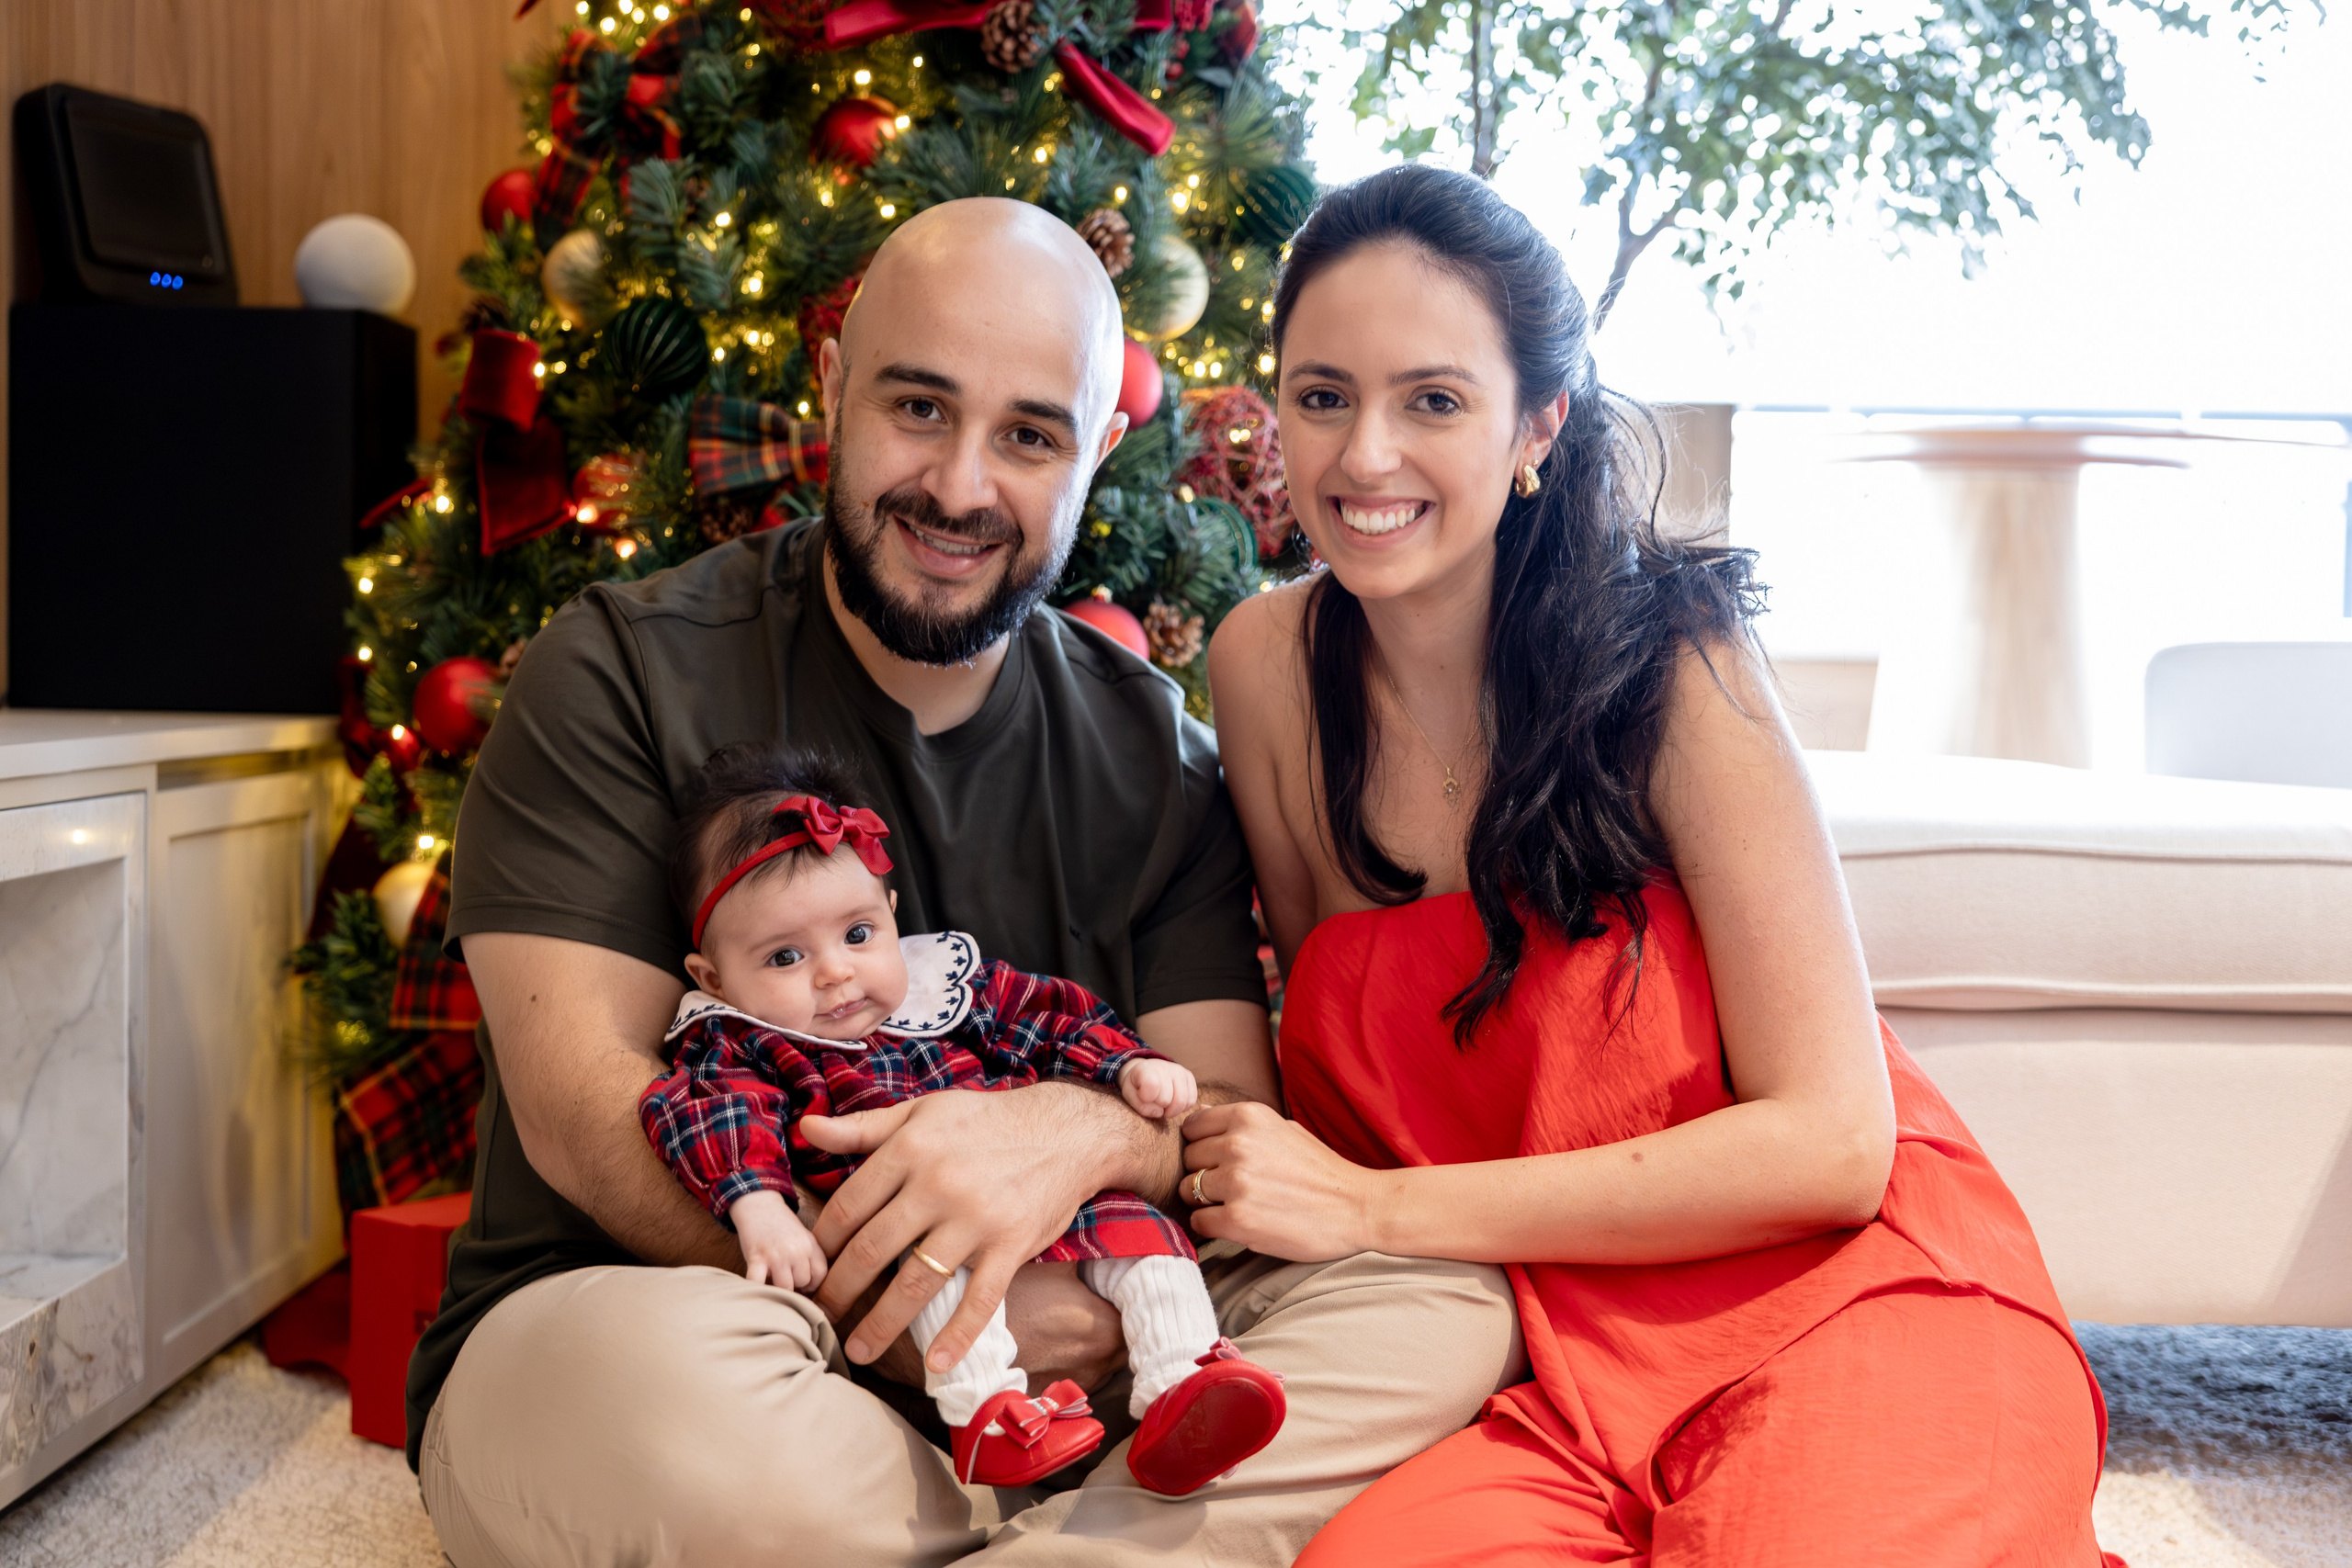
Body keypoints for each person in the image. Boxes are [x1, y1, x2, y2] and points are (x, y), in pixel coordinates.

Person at [410, 197, 1522, 1568]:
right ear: (832, 387)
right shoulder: (619, 670)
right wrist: (946, 1288)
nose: (959, 486)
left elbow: (1214, 1114)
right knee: (690, 1440)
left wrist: (1078, 1135)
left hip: (1076, 1308)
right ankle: (1100, 1526)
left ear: (1099, 451)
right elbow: (588, 1109)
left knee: (1446, 1303)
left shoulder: (1157, 756)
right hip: (718, 1309)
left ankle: (1036, 1531)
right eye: (919, 407)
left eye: (1029, 435)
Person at [1201, 164, 2123, 1565]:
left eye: (1433, 399)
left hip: (1847, 1297)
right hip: (1553, 1371)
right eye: (1323, 395)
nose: (1364, 456)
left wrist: (1379, 1207)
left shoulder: (1677, 660)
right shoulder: (1264, 666)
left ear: (1539, 425)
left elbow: (1833, 1143)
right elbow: (1340, 1060)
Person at [639, 742, 1286, 1493]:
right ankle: (987, 1412)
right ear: (714, 977)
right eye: (785, 956)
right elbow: (708, 1114)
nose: (836, 971)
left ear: (889, 912)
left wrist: (1126, 1065)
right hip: (906, 1210)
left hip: (1043, 1189)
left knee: (1147, 1239)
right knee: (929, 1269)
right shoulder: (743, 1042)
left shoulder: (943, 987)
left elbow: (1043, 1019)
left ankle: (1186, 1378)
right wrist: (761, 1208)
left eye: (856, 934)